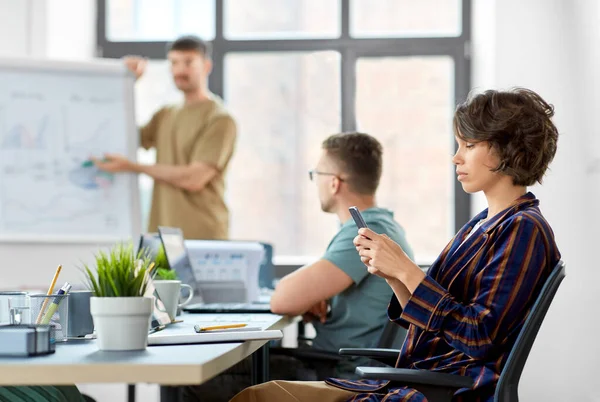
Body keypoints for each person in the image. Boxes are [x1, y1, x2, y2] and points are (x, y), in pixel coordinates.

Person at [229, 87, 562, 402]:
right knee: (260, 393)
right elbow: (426, 320)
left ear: (506, 149)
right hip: (414, 381)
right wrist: (392, 274)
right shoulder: (482, 224)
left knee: (258, 395)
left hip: (441, 392)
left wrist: (406, 269)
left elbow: (478, 336)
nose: (456, 158)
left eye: (469, 145)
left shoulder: (522, 230)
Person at [182, 132, 414, 401]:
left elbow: (282, 301)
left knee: (200, 380)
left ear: (334, 183)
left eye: (316, 174)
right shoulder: (383, 225)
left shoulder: (365, 232)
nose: (314, 182)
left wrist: (303, 296)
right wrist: (319, 297)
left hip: (339, 373)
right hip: (341, 363)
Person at [94, 35, 237, 240]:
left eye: (188, 63)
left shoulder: (220, 119)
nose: (179, 70)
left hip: (203, 237)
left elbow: (193, 178)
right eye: (174, 63)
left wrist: (133, 167)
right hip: (162, 236)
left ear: (206, 66)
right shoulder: (166, 114)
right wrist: (126, 83)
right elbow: (123, 136)